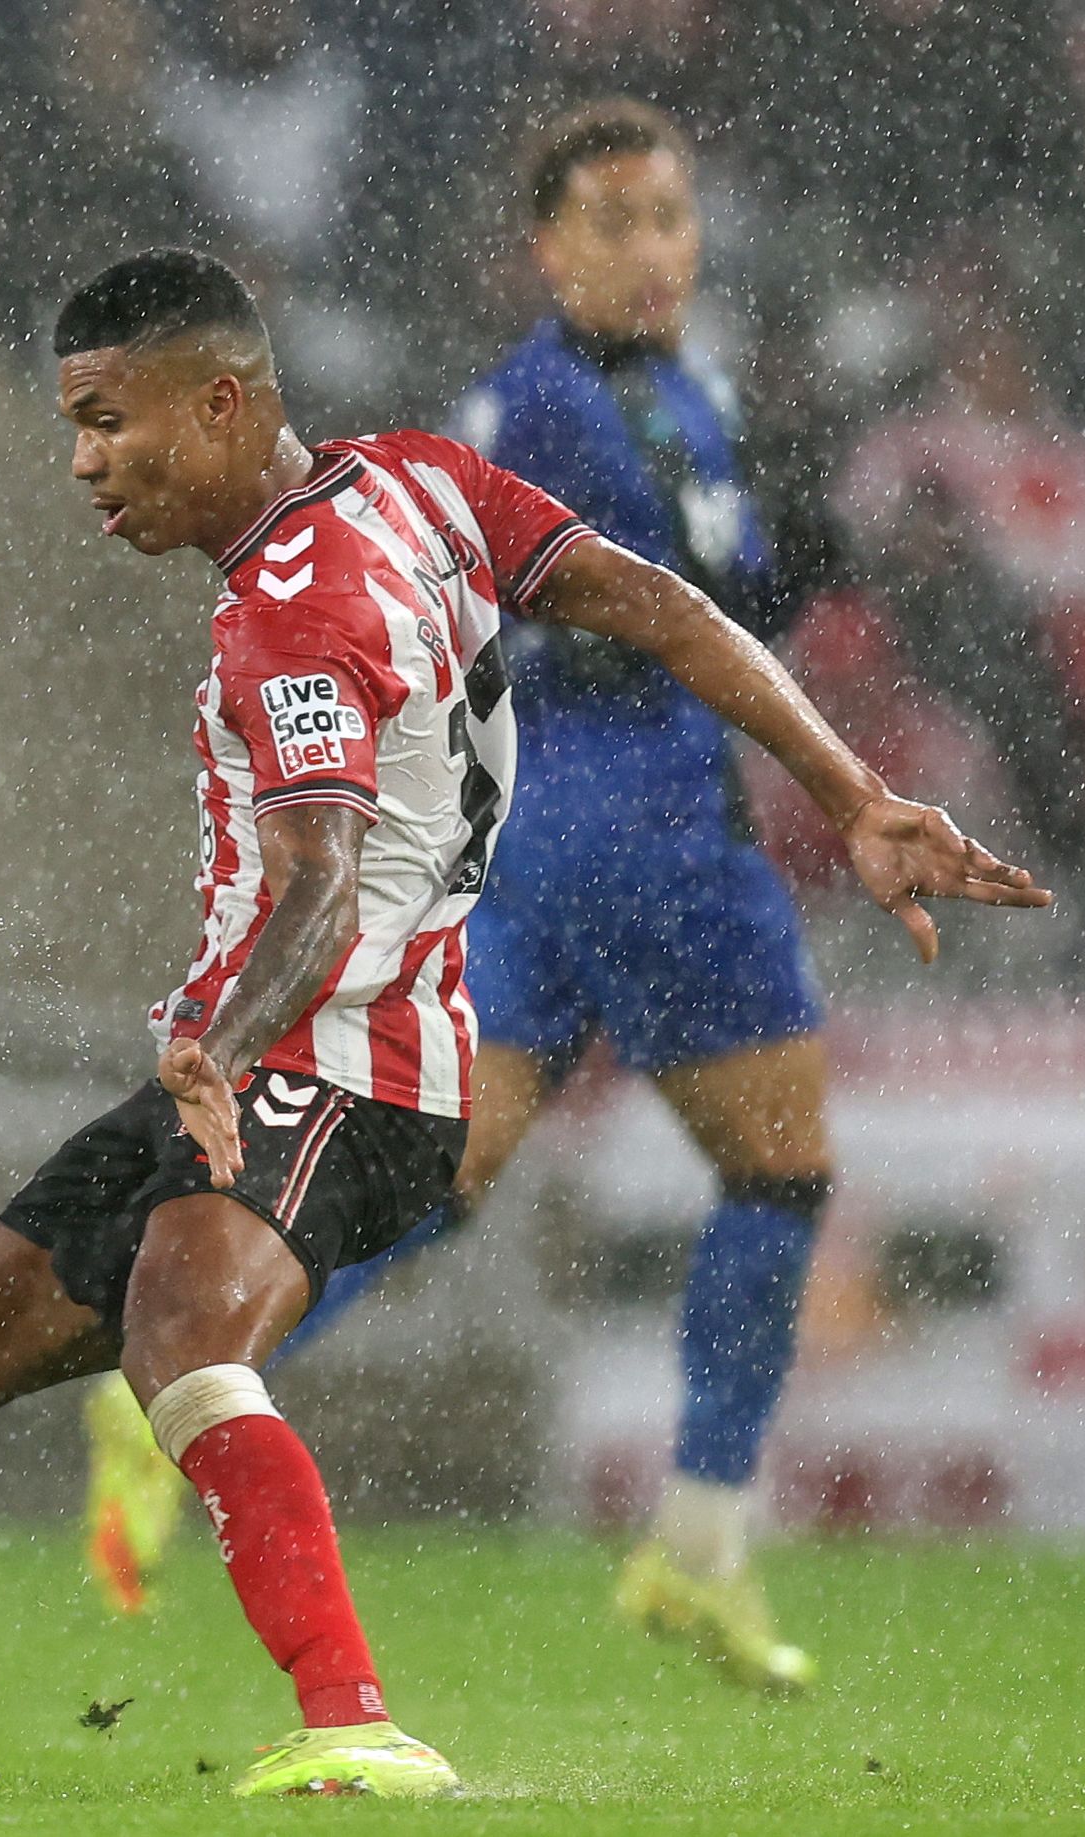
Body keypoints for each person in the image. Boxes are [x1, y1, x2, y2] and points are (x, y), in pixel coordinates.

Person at [0, 249, 1043, 1798]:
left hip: (325, 1060)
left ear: (215, 404)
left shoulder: (291, 606)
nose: (81, 463)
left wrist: (216, 1044)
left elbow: (322, 880)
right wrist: (852, 790)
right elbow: (661, 606)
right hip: (308, 1052)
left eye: (102, 421)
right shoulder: (417, 482)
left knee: (181, 1334)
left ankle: (353, 1723)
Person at [252, 100, 854, 1691]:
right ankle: (699, 1539)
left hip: (531, 822)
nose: (652, 251)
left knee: (444, 1170)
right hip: (642, 813)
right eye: (614, 222)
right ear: (546, 247)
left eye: (670, 217)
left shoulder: (651, 392)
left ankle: (190, 1367)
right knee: (780, 1169)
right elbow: (681, 618)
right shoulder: (559, 403)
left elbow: (713, 583)